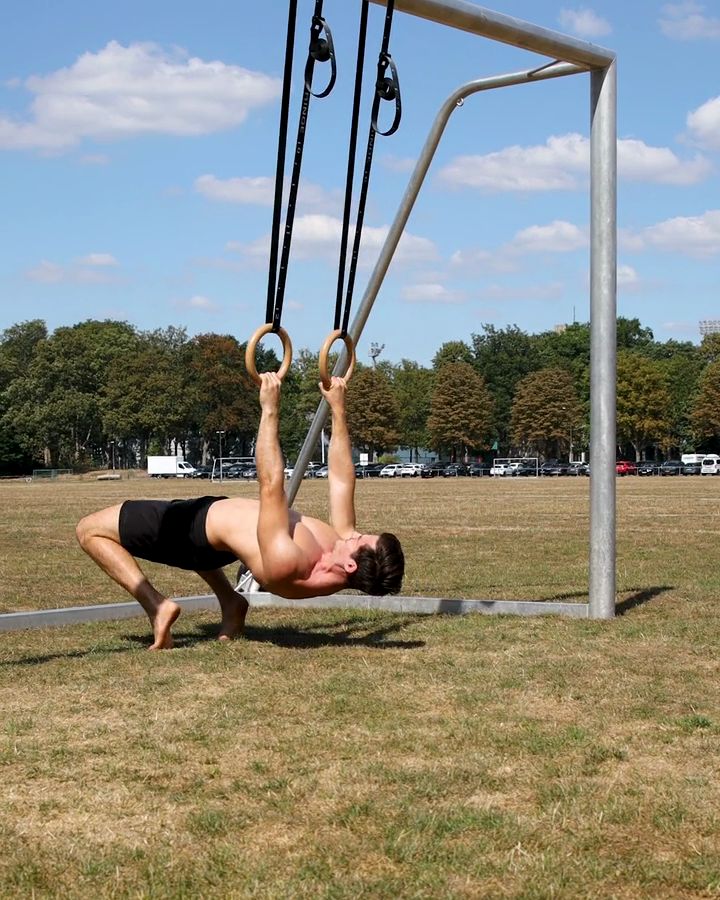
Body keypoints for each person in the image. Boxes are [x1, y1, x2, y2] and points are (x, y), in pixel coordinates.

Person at [76, 374, 404, 649]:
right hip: (215, 528)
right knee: (212, 537)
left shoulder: (289, 564)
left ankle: (157, 605)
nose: (355, 533)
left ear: (350, 563)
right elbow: (342, 482)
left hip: (196, 532)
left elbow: (271, 484)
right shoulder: (340, 548)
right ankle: (231, 602)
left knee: (89, 530)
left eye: (360, 538)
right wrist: (338, 410)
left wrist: (270, 409)